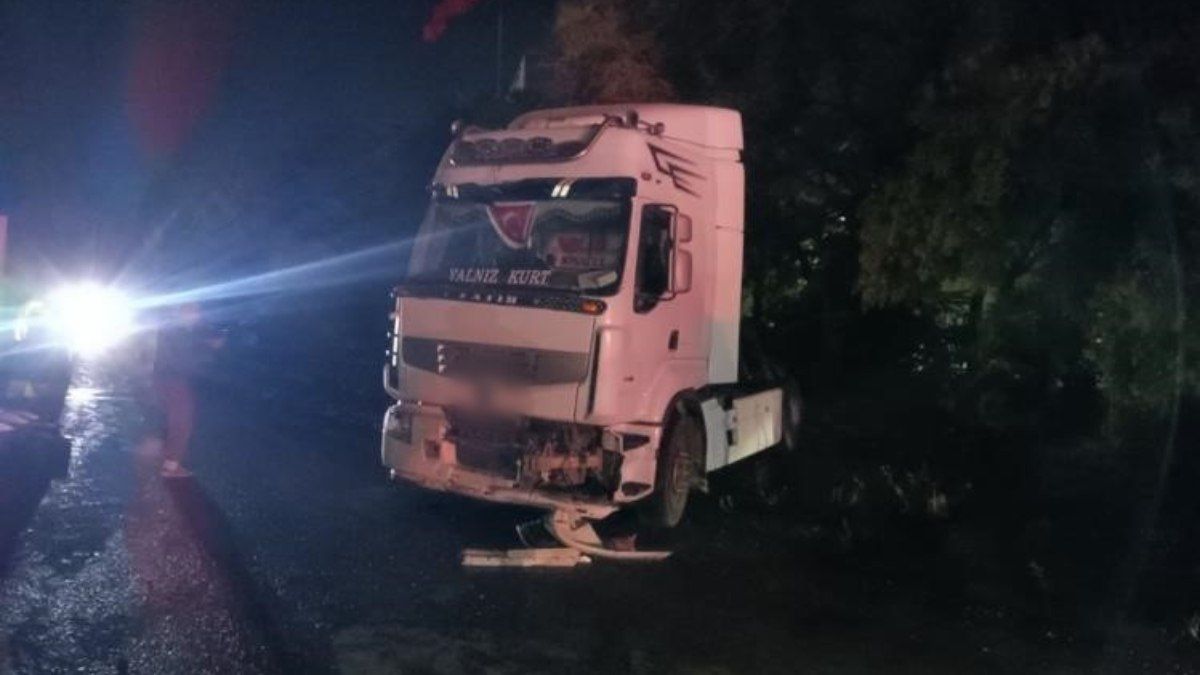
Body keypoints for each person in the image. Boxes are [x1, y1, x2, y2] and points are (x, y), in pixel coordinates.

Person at [153, 302, 223, 478]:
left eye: (197, 310)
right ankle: (171, 466)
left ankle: (167, 458)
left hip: (167, 378)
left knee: (173, 420)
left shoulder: (176, 329)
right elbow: (186, 357)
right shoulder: (178, 332)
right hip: (174, 379)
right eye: (192, 310)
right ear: (182, 312)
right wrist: (209, 347)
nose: (196, 315)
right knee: (182, 422)